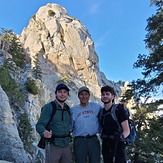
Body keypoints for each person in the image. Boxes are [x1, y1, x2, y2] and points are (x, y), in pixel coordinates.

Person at [36, 83, 72, 163]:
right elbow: (39, 125)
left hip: (66, 144)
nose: (62, 94)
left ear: (67, 94)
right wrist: (44, 132)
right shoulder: (49, 107)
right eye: (60, 92)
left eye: (65, 92)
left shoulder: (68, 109)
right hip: (53, 145)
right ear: (56, 94)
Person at [71, 86, 102, 163]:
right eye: (81, 94)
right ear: (78, 96)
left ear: (89, 95)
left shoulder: (96, 107)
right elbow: (69, 125)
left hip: (93, 139)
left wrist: (120, 107)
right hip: (79, 140)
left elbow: (107, 111)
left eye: (86, 94)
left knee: (95, 161)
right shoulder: (73, 110)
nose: (84, 96)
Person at [99, 85, 130, 163]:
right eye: (103, 94)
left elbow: (127, 130)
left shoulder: (118, 109)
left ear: (112, 97)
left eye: (107, 94)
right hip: (106, 145)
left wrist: (121, 137)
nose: (105, 96)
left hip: (118, 145)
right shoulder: (101, 112)